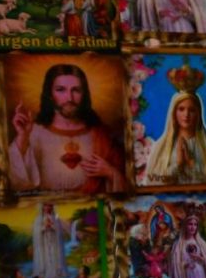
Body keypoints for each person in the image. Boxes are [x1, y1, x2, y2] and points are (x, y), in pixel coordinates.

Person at [7, 63, 126, 194]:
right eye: (60, 90)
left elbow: (126, 185)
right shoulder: (34, 132)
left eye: (76, 90)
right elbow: (16, 183)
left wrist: (111, 172)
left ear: (84, 94)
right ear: (50, 94)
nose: (69, 98)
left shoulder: (101, 134)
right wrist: (23, 137)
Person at [145, 88, 206, 186]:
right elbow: (152, 184)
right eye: (181, 109)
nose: (186, 114)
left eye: (192, 110)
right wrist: (178, 165)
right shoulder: (162, 146)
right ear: (174, 113)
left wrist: (191, 163)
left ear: (198, 114)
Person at [168, 213, 206, 278]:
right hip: (187, 276)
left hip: (200, 274)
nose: (193, 227)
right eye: (190, 224)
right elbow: (174, 264)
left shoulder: (201, 243)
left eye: (195, 224)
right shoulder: (178, 245)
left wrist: (200, 258)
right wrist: (186, 264)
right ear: (185, 226)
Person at [32, 203, 68, 278]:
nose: (47, 208)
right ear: (42, 207)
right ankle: (44, 273)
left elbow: (59, 231)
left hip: (53, 243)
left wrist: (52, 226)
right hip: (44, 243)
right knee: (46, 257)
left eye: (49, 206)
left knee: (54, 255)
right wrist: (44, 227)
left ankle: (56, 272)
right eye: (45, 206)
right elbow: (36, 232)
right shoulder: (38, 219)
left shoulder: (55, 218)